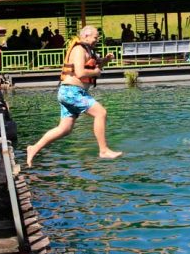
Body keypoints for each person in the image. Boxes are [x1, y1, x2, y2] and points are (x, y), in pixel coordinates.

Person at [26, 25, 122, 166]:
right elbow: (80, 73)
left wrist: (106, 61)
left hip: (71, 92)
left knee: (64, 129)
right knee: (101, 113)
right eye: (95, 37)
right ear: (86, 36)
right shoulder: (78, 50)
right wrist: (96, 73)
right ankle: (103, 150)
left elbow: (94, 67)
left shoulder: (88, 51)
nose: (97, 40)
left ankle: (34, 148)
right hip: (71, 92)